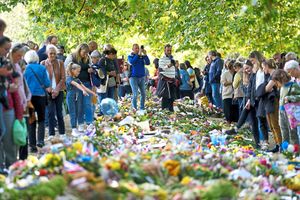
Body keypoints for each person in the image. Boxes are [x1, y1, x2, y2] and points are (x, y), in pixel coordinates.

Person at [24, 50, 51, 152]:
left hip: (28, 98)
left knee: (31, 121)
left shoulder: (25, 69)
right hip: (40, 96)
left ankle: (32, 145)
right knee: (42, 119)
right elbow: (47, 83)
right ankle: (40, 141)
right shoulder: (42, 68)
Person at [64, 43, 94, 131]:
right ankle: (79, 124)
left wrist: (90, 70)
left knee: (88, 103)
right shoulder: (71, 57)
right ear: (79, 50)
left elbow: (91, 67)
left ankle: (89, 122)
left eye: (87, 53)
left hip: (86, 82)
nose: (85, 54)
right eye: (84, 52)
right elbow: (67, 69)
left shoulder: (87, 58)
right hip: (75, 84)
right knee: (79, 106)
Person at [10, 43, 32, 159]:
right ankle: (15, 158)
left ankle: (24, 158)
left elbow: (26, 90)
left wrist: (27, 100)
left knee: (25, 132)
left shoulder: (18, 68)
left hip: (24, 106)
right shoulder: (10, 67)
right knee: (16, 132)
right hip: (14, 106)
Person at [41, 45, 66, 138]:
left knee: (59, 112)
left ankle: (62, 133)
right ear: (47, 53)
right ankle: (51, 134)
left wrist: (57, 89)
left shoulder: (60, 63)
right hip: (48, 91)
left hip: (58, 91)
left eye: (54, 53)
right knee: (50, 113)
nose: (52, 55)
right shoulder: (43, 63)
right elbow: (42, 78)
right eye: (50, 53)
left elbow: (63, 78)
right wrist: (49, 89)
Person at [66, 62, 96, 136]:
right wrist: (82, 90)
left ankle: (77, 127)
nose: (79, 73)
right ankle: (73, 128)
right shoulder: (69, 78)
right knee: (72, 112)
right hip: (71, 97)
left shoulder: (77, 79)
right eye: (77, 71)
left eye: (79, 71)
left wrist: (93, 93)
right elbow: (76, 85)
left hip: (77, 96)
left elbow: (84, 87)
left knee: (78, 111)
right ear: (72, 70)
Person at [272, 69, 300, 145]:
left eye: (276, 82)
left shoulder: (293, 85)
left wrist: (290, 98)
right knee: (283, 131)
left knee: (292, 132)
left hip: (290, 112)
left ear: (281, 79)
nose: (276, 84)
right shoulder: (282, 87)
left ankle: (295, 151)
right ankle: (286, 150)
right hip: (282, 112)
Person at [261, 59, 282, 152]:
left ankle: (280, 145)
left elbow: (267, 88)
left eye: (263, 67)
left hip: (275, 101)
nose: (263, 69)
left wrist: (264, 89)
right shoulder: (270, 75)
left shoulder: (274, 74)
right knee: (271, 124)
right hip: (270, 101)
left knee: (275, 124)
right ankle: (277, 144)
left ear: (267, 66)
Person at [128, 44, 150, 113]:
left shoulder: (142, 57)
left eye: (138, 48)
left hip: (142, 77)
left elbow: (148, 63)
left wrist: (145, 54)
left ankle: (142, 108)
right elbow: (132, 62)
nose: (137, 49)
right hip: (133, 78)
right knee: (135, 94)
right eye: (136, 48)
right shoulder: (130, 56)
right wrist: (138, 55)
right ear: (133, 49)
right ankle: (134, 108)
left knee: (143, 93)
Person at [156, 44, 176, 112]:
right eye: (168, 50)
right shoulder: (162, 59)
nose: (169, 52)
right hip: (165, 80)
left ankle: (171, 110)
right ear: (165, 50)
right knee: (165, 97)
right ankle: (164, 110)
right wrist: (169, 65)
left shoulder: (172, 58)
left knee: (172, 97)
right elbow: (161, 70)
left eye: (170, 50)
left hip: (172, 80)